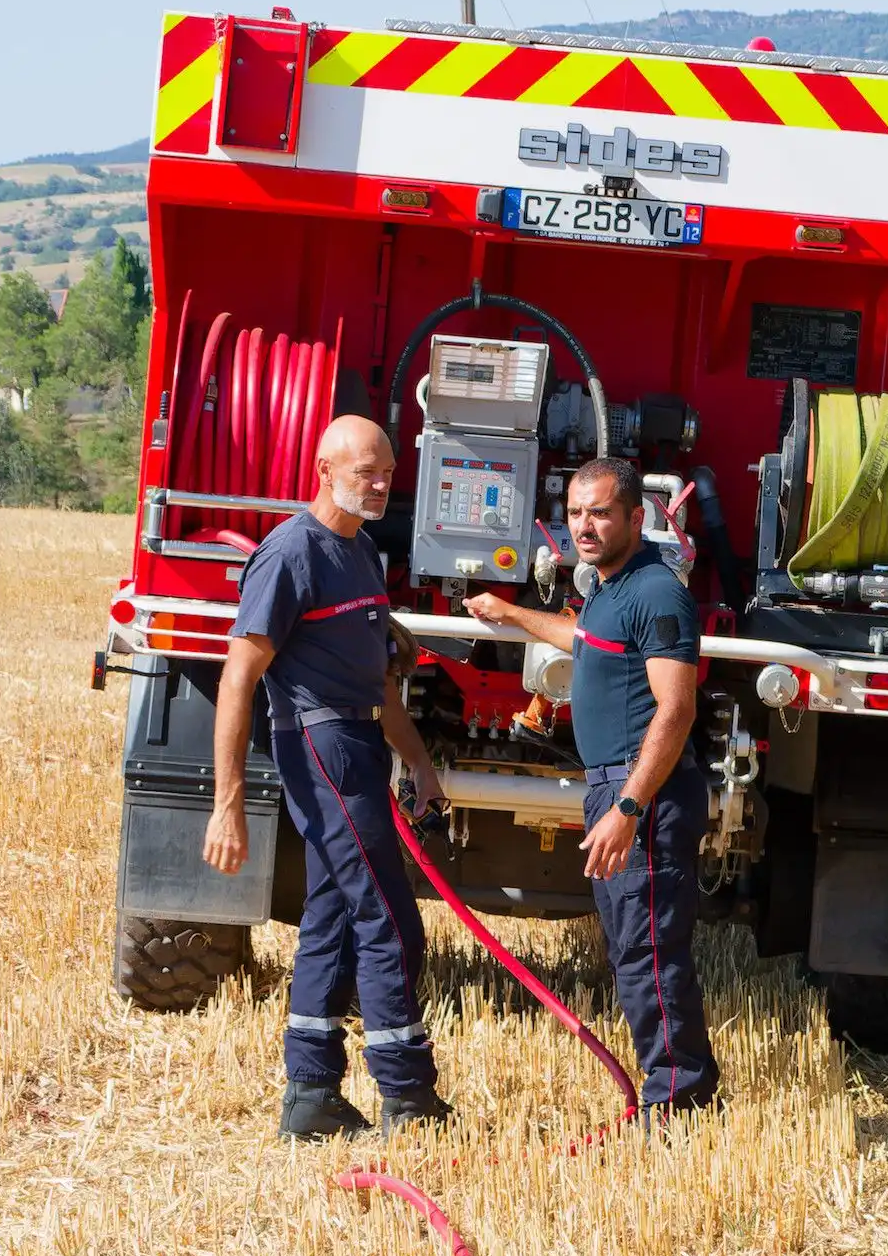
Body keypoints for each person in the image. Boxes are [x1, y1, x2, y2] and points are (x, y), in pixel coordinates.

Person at [206, 414, 450, 1141]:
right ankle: (408, 1101)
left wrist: (419, 760)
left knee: (336, 914)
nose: (378, 484)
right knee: (392, 921)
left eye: (386, 472)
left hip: (359, 739)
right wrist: (228, 805)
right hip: (319, 745)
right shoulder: (290, 556)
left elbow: (378, 683)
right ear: (323, 468)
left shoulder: (362, 552)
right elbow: (237, 680)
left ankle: (311, 1094)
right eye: (364, 471)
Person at [465, 456, 719, 1114]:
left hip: (646, 793)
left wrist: (630, 806)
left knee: (650, 955)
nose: (585, 525)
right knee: (634, 948)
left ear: (638, 517)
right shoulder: (608, 587)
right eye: (576, 512)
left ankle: (681, 1107)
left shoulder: (656, 592)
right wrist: (510, 612)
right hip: (616, 788)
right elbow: (581, 638)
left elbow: (676, 707)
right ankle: (678, 1095)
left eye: (600, 512)